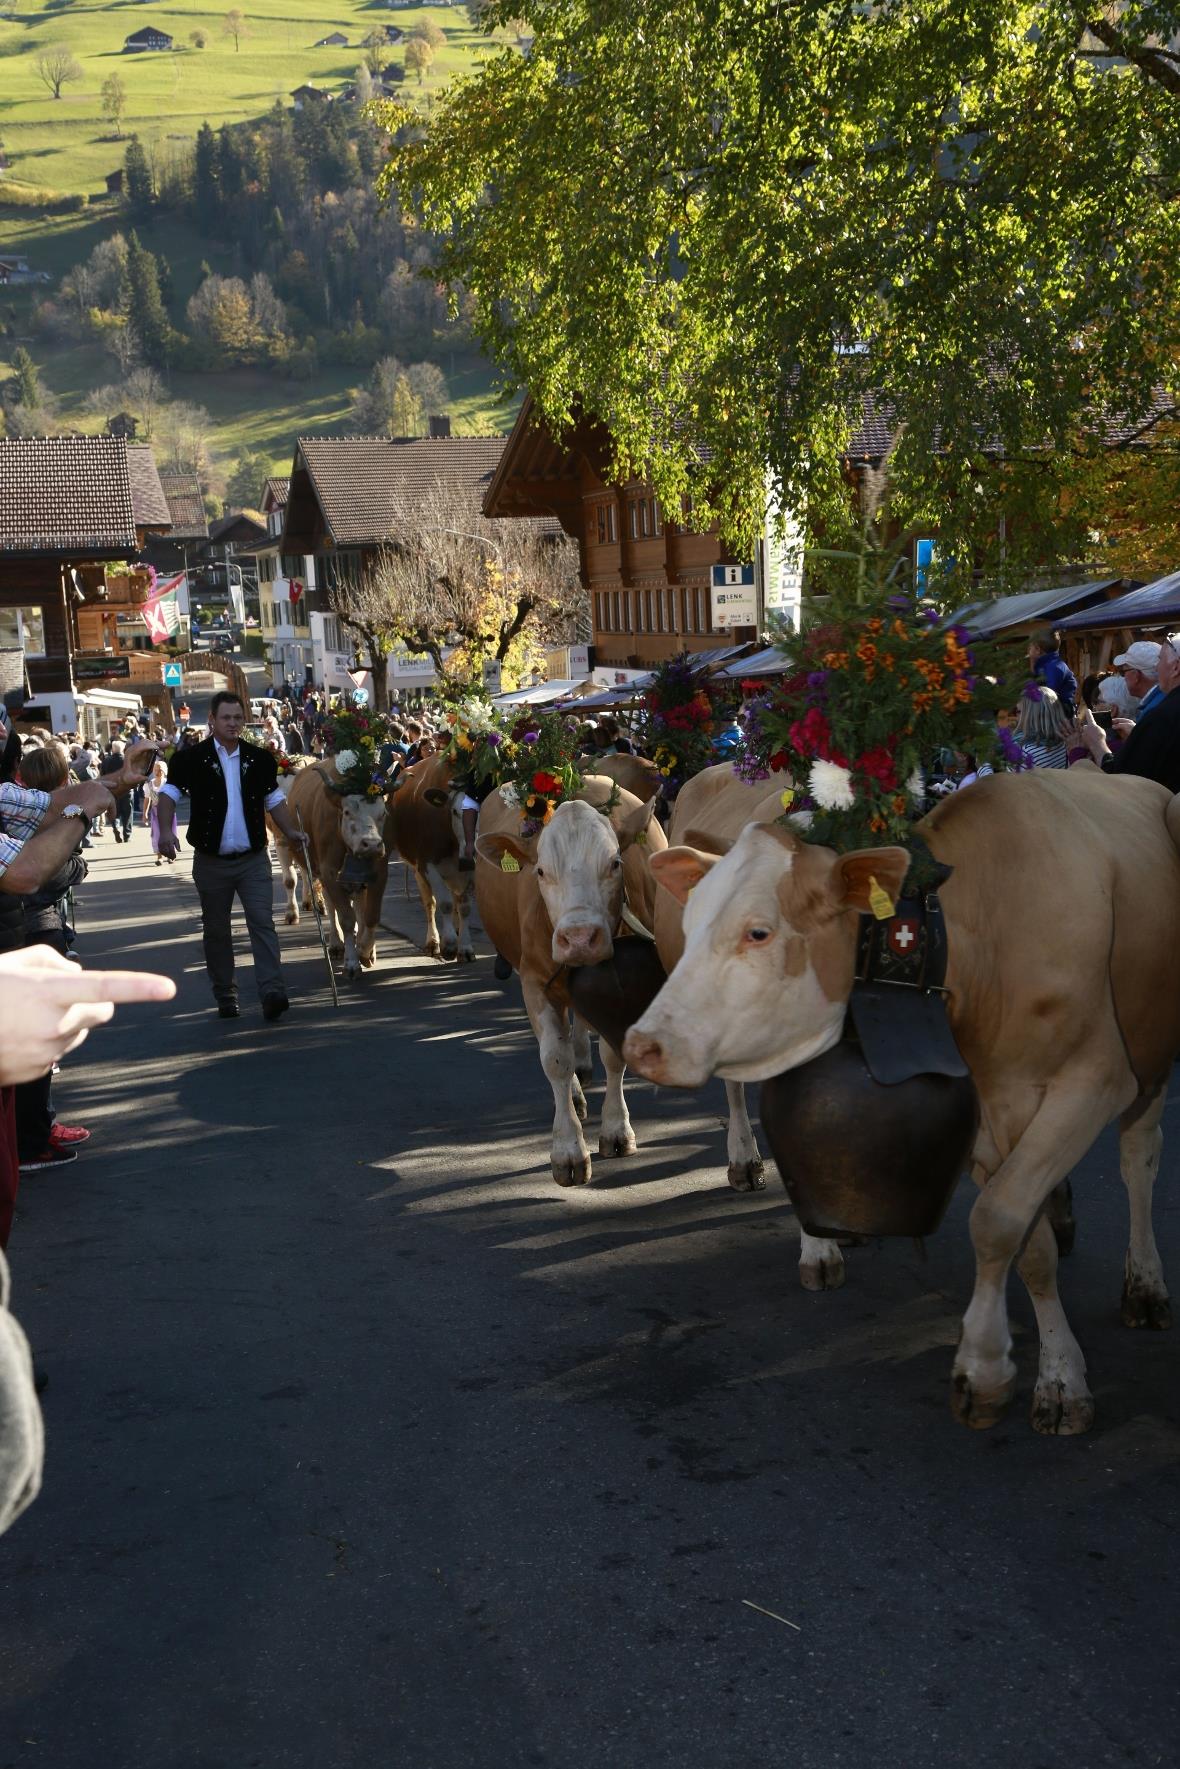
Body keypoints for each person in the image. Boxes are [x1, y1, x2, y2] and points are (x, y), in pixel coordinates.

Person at [155, 692, 309, 1021]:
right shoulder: (191, 759)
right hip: (211, 861)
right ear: (212, 720)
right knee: (217, 930)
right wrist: (166, 832)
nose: (233, 723)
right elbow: (167, 795)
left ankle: (272, 990)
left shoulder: (259, 759)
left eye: (238, 718)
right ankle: (226, 993)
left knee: (262, 923)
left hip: (253, 858)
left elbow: (274, 800)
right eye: (226, 718)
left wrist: (292, 831)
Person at [13, 743, 91, 1173]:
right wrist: (76, 865)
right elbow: (53, 874)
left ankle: (38, 1124)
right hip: (37, 932)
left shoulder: (21, 811)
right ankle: (32, 1139)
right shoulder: (45, 819)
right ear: (63, 781)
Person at [1076, 633, 1180, 790]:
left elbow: (1125, 780)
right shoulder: (1162, 711)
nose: (1156, 668)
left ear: (1176, 667)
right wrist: (1138, 735)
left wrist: (1097, 743)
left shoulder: (1162, 715)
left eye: (1160, 660)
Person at [1013, 683, 1072, 769]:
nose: (1016, 716)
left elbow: (1010, 781)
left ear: (1029, 716)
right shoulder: (1064, 743)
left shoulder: (1026, 752)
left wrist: (986, 765)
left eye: (1019, 711)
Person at [1111, 640, 1164, 727]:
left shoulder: (1153, 711)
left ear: (1136, 676)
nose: (1123, 678)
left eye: (1123, 671)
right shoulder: (1163, 699)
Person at [1028, 629, 1078, 716]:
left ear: (1037, 649)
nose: (1028, 651)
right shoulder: (1042, 665)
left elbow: (1048, 695)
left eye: (1029, 648)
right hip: (1049, 710)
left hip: (1061, 712)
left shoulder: (1054, 667)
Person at [143, 757, 172, 866]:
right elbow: (147, 799)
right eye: (155, 769)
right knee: (157, 835)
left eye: (159, 770)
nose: (157, 772)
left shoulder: (168, 784)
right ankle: (159, 856)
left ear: (164, 771)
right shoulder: (150, 784)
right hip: (155, 813)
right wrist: (145, 813)